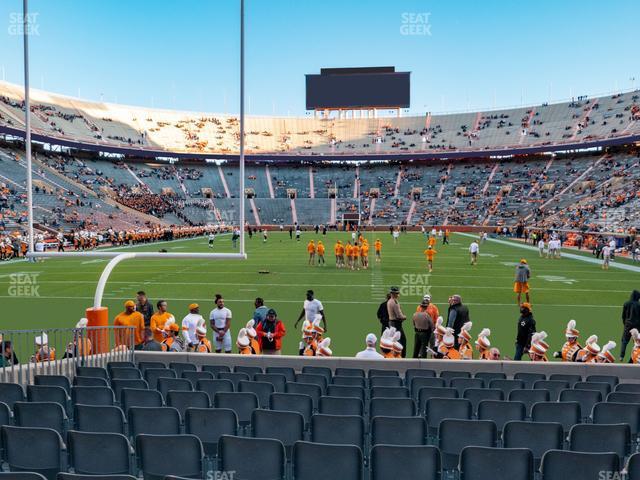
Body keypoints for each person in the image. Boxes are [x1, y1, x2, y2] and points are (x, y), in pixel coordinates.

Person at [387, 286, 407, 358]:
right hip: (396, 324)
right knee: (401, 342)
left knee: (393, 341)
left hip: (392, 323)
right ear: (394, 294)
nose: (398, 294)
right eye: (397, 293)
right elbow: (399, 316)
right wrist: (404, 317)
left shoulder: (389, 301)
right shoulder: (395, 302)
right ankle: (401, 357)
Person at [620, 290, 640, 361]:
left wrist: (625, 323)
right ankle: (635, 357)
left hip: (628, 324)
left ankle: (621, 356)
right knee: (637, 340)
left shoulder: (626, 303)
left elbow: (623, 315)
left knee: (624, 340)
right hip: (638, 325)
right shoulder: (639, 305)